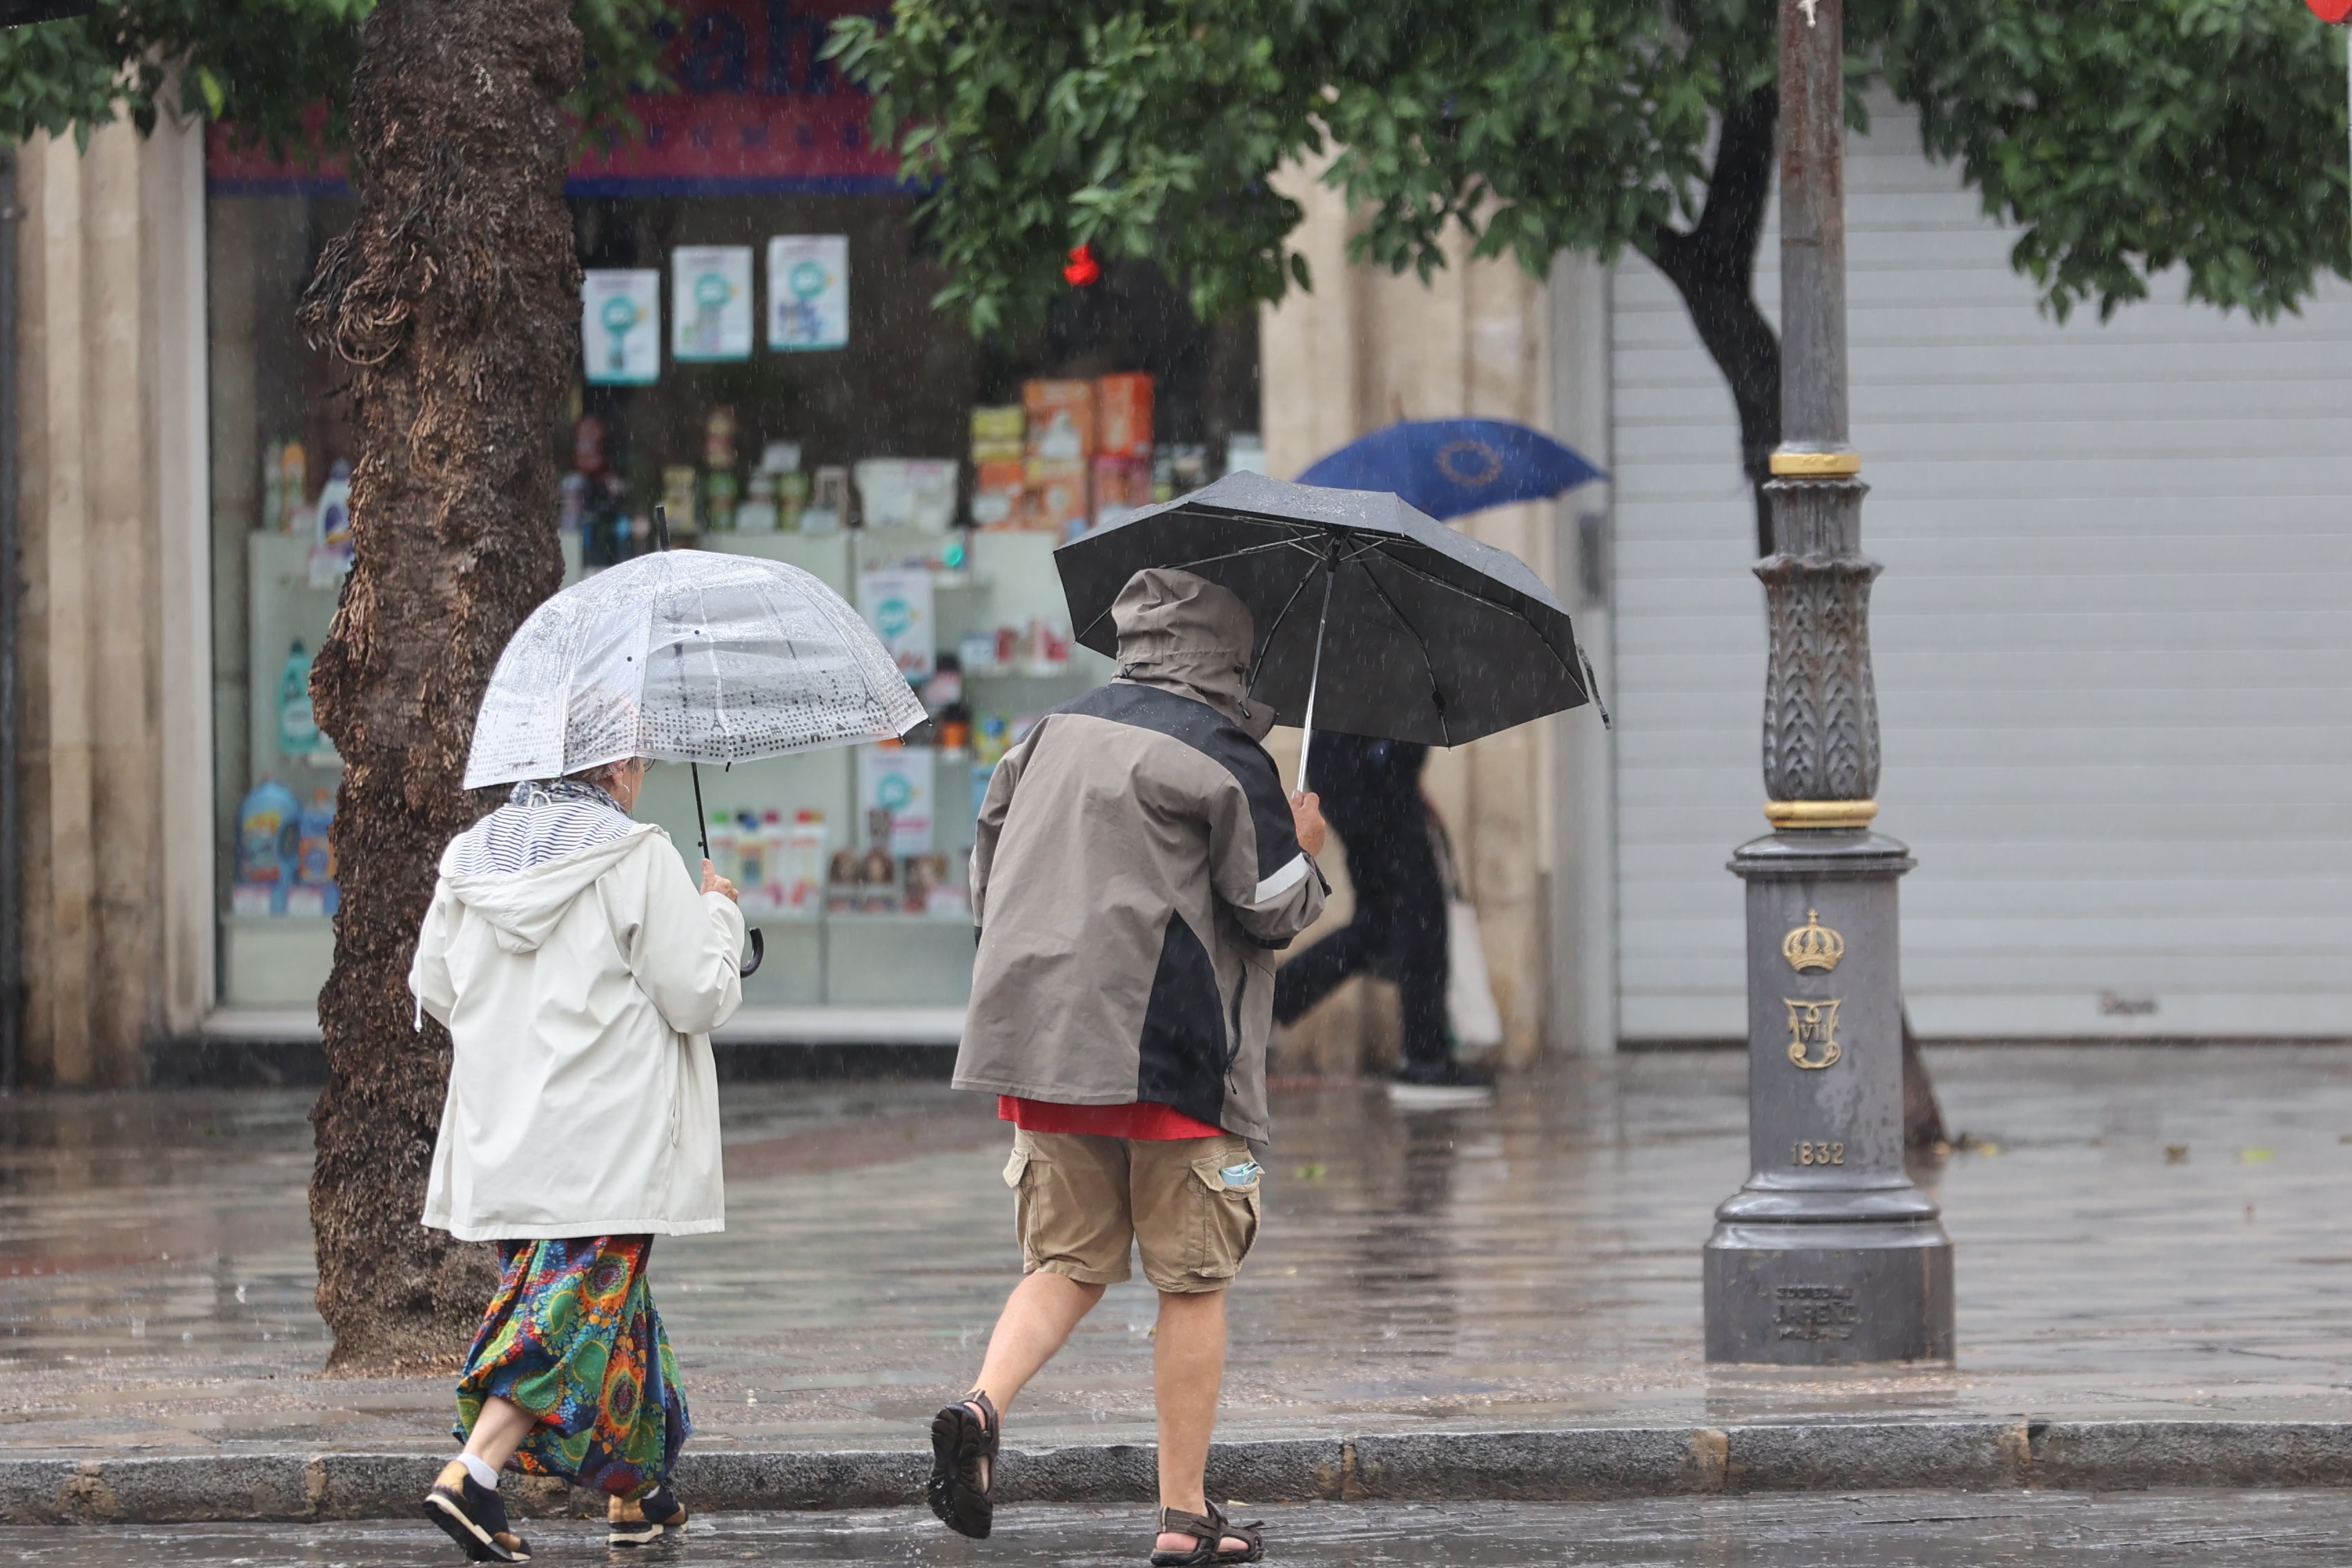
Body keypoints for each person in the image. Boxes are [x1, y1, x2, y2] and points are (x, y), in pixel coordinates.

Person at [936, 567, 1327, 1565]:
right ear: (1229, 657)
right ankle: (1183, 1518)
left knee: (1064, 1262)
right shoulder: (1225, 753)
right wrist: (1307, 841)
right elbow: (1275, 908)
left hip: (1044, 1052)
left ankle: (982, 1408)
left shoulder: (1044, 735)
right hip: (1174, 1060)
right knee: (1192, 1281)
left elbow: (987, 879)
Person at [409, 755, 745, 1562]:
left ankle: (634, 1490)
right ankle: (472, 1475)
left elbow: (436, 986)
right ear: (618, 766)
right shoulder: (637, 855)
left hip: (509, 1131)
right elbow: (699, 992)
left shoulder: (469, 858)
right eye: (640, 759)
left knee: (607, 1305)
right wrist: (719, 915)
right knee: (568, 1316)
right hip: (610, 1135)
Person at [1272, 733, 1490, 1104]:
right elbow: (1383, 733)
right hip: (1374, 788)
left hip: (1362, 784)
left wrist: (1406, 783)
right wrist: (1396, 779)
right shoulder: (1378, 684)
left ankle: (1273, 998)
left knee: (1380, 924)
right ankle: (1425, 1058)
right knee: (1420, 915)